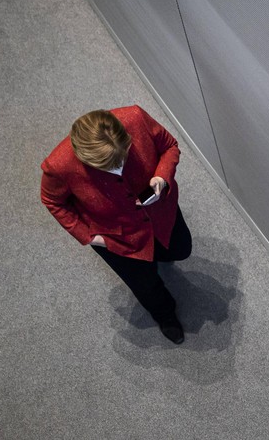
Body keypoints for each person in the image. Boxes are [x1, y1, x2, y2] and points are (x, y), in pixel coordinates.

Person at [40, 105, 191, 344]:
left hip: (159, 212)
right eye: (108, 165)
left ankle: (158, 256)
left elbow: (169, 146)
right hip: (115, 237)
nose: (119, 165)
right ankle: (165, 315)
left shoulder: (135, 117)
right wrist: (88, 236)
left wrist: (162, 176)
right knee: (145, 286)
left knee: (182, 249)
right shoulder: (58, 166)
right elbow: (52, 200)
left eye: (124, 153)